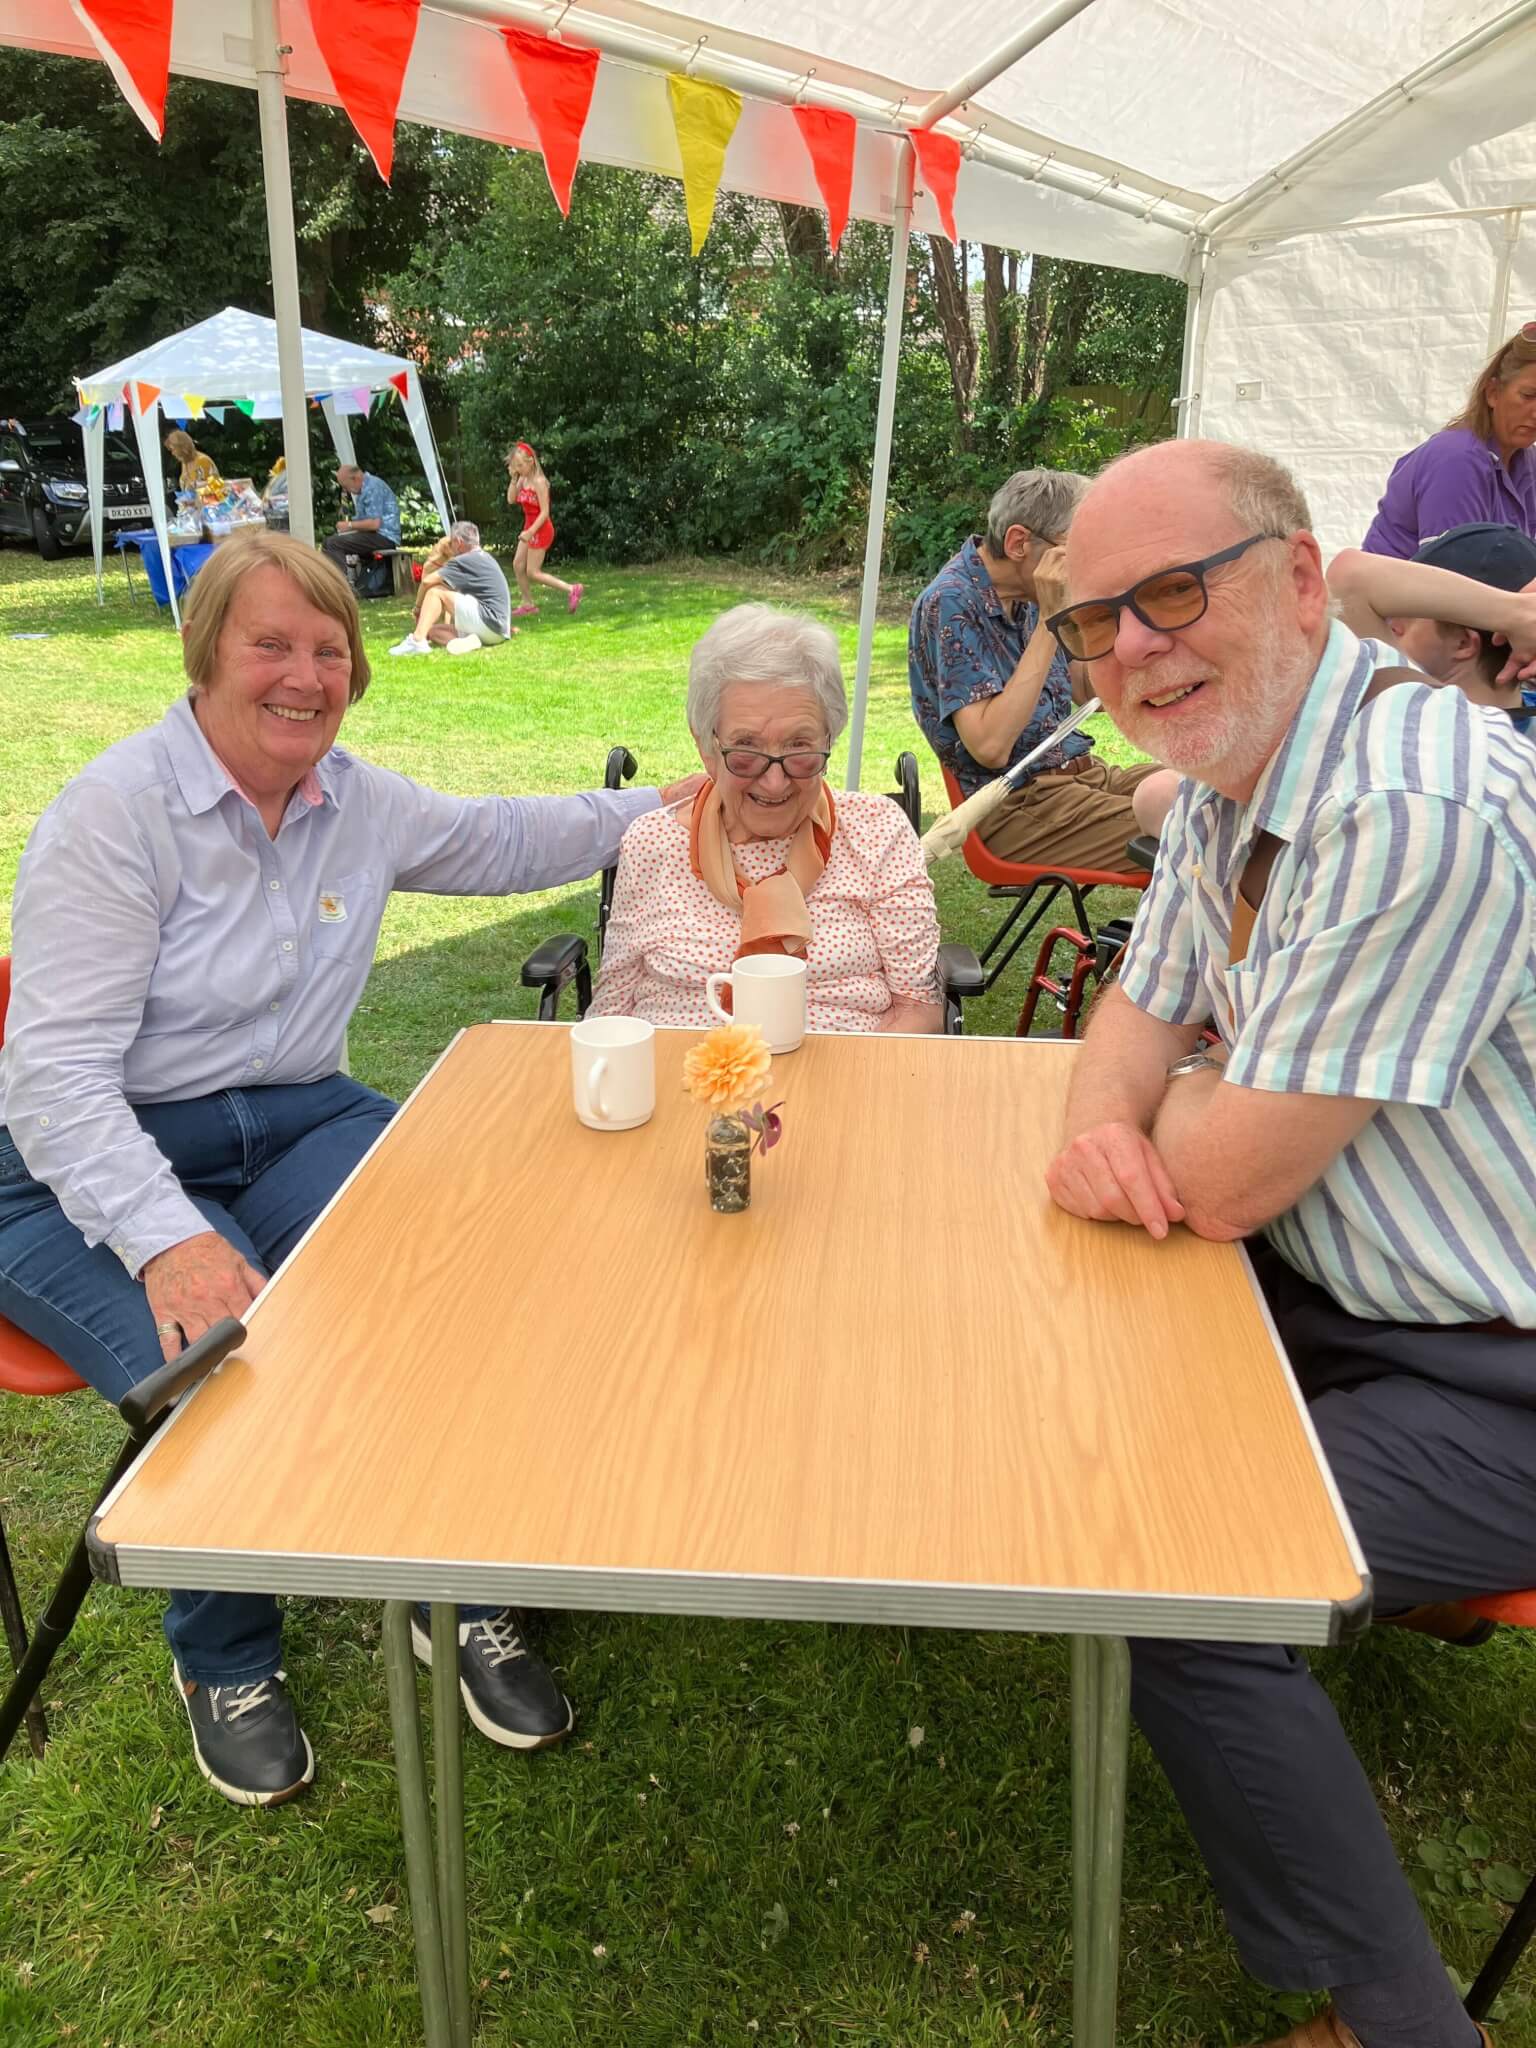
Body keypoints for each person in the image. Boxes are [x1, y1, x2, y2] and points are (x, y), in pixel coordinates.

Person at [0, 531, 704, 1809]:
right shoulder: (117, 814)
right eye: (271, 642)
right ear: (205, 650)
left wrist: (676, 808)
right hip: (75, 1158)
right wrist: (170, 1239)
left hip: (292, 1112)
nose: (305, 675)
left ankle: (457, 1583)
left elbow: (499, 836)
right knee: (226, 1356)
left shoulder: (351, 800)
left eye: (330, 648)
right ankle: (223, 1656)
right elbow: (52, 1083)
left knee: (470, 1280)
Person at [1044, 437, 1536, 2048]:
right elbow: (1136, 1010)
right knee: (1080, 1364)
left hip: (1500, 1369)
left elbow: (1234, 1175)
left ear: (1307, 579)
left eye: (1174, 592)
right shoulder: (1245, 770)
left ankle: (1401, 2024)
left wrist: (1151, 1120)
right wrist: (1123, 1117)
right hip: (1360, 1291)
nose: (1132, 650)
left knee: (1185, 1569)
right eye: (1097, 619)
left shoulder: (1411, 807)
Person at [589, 604, 943, 1034]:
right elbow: (612, 1010)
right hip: (682, 1082)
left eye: (800, 747)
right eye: (745, 750)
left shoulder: (876, 831)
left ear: (829, 739)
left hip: (844, 1082)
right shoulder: (653, 843)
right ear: (705, 746)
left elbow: (916, 1007)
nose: (775, 783)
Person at [908, 468, 1178, 869]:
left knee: (1210, 792)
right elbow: (990, 747)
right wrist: (1050, 620)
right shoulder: (951, 602)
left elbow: (1087, 689)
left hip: (1078, 778)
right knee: (1193, 825)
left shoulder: (1031, 590)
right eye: (1077, 550)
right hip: (1015, 806)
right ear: (1019, 542)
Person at [1329, 522, 1536, 720]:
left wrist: (1516, 613)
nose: (1393, 623)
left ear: (1462, 643)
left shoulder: (1416, 718)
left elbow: (1349, 577)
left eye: (1410, 610)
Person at [1362, 324, 1536, 557]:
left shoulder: (1526, 461)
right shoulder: (1456, 459)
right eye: (1528, 396)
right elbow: (1456, 574)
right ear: (1492, 392)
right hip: (1401, 593)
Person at [389, 520, 513, 658]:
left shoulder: (464, 560)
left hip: (489, 622)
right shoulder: (485, 557)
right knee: (431, 631)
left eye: (451, 542)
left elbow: (426, 582)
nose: (451, 547)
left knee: (435, 592)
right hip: (499, 631)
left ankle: (416, 641)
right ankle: (467, 642)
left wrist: (417, 609)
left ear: (459, 542)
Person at [505, 441, 581, 618]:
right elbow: (511, 499)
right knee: (518, 565)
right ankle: (527, 603)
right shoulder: (522, 479)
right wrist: (514, 478)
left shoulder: (539, 482)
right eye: (514, 466)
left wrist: (531, 532)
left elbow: (545, 512)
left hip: (540, 528)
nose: (517, 469)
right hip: (529, 527)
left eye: (520, 465)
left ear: (531, 461)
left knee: (533, 572)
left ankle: (572, 588)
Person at [321, 463, 400, 579]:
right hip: (375, 535)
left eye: (346, 486)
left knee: (332, 543)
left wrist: (349, 525)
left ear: (355, 478)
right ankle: (340, 581)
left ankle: (341, 583)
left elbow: (374, 524)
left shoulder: (372, 487)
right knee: (331, 541)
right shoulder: (364, 489)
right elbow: (364, 522)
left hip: (385, 536)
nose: (347, 491)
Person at [164, 429, 221, 496]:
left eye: (173, 449)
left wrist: (195, 490)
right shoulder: (184, 462)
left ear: (182, 447)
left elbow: (216, 487)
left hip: (207, 505)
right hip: (191, 505)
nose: (172, 453)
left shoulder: (203, 461)